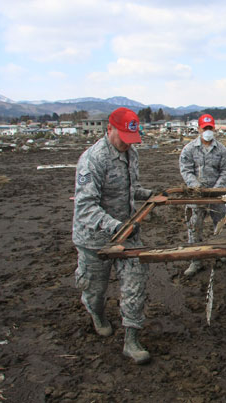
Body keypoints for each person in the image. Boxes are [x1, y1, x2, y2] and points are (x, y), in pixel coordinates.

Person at [72, 107, 154, 364]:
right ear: (109, 129)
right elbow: (85, 207)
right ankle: (97, 315)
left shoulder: (132, 153)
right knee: (95, 291)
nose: (127, 146)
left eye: (132, 141)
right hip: (94, 238)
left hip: (126, 234)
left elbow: (131, 189)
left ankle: (131, 340)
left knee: (134, 284)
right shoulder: (92, 159)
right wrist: (114, 226)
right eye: (123, 140)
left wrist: (151, 195)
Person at [179, 113, 226, 277]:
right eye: (204, 128)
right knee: (194, 226)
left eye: (210, 128)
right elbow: (186, 169)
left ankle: (221, 253)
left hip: (217, 195)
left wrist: (217, 188)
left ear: (214, 128)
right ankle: (196, 260)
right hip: (196, 195)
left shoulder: (222, 150)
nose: (207, 131)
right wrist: (195, 186)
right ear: (199, 129)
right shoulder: (189, 149)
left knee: (221, 225)